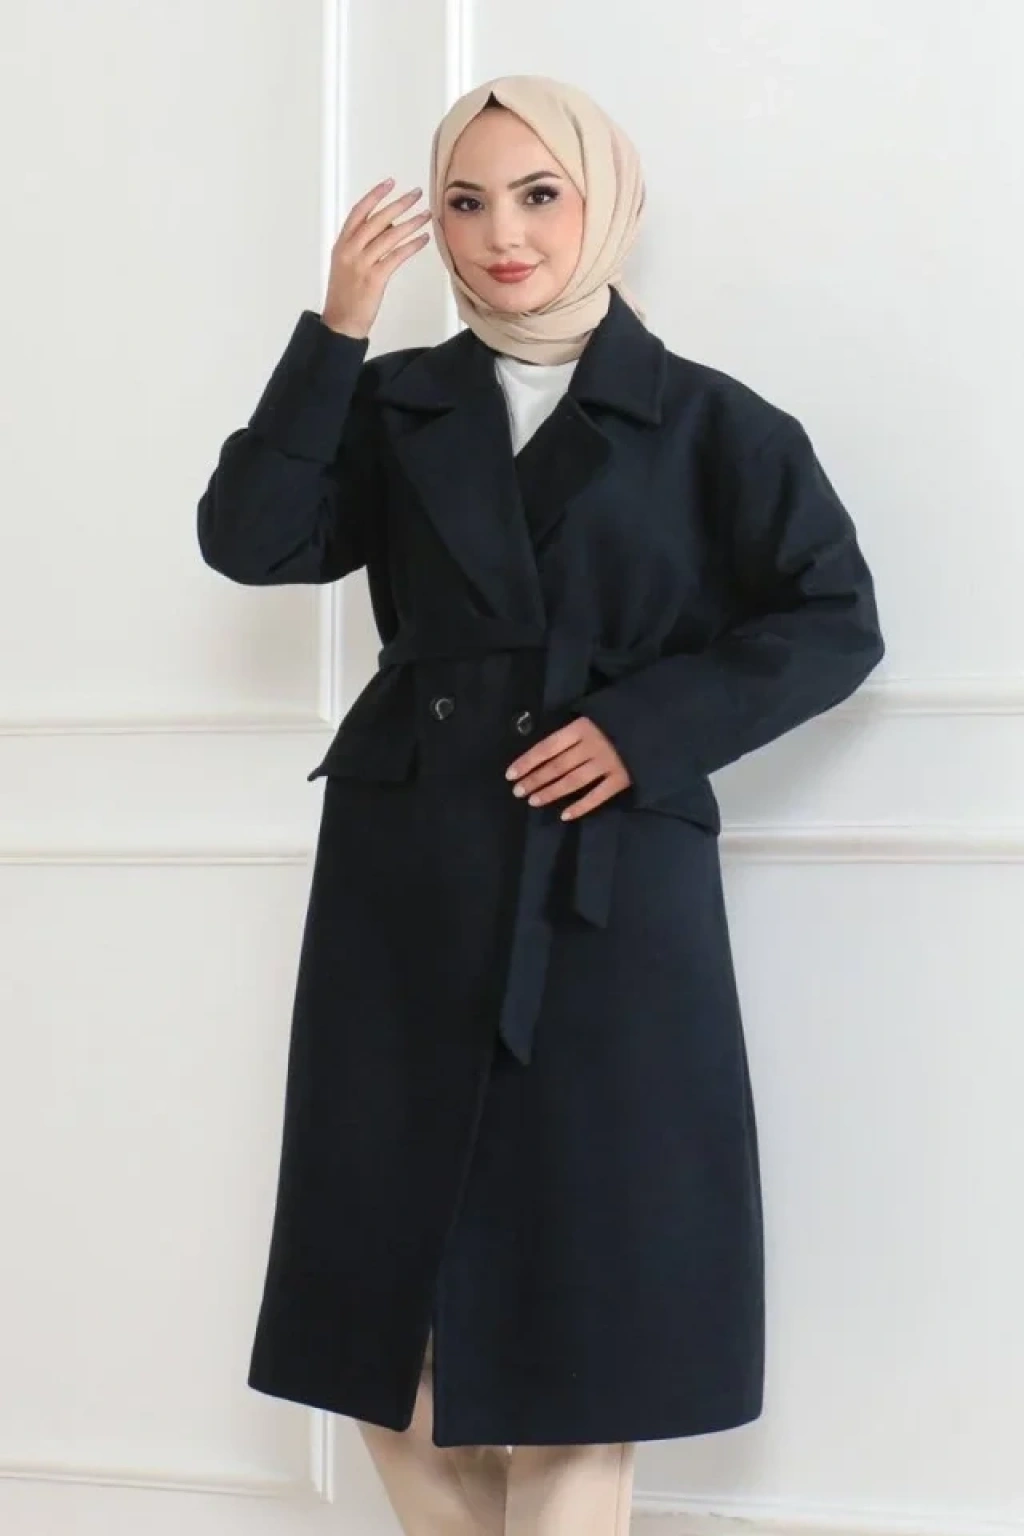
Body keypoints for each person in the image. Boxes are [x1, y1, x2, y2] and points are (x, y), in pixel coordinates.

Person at [196, 73, 885, 1536]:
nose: (502, 235)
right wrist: (336, 329)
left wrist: (645, 729)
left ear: (607, 202)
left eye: (538, 194)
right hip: (405, 881)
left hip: (605, 896)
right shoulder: (397, 403)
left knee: (588, 1314)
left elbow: (834, 618)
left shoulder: (713, 422)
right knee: (376, 1304)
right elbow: (252, 541)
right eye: (465, 202)